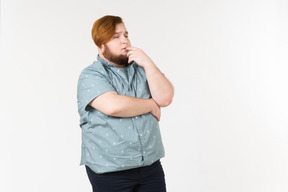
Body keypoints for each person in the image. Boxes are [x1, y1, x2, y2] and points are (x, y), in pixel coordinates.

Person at [77, 15, 174, 192]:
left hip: (150, 166)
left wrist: (148, 63)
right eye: (116, 37)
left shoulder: (142, 69)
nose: (125, 41)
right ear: (101, 45)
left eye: (126, 35)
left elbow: (166, 97)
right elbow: (113, 105)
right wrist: (151, 105)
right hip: (110, 170)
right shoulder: (91, 75)